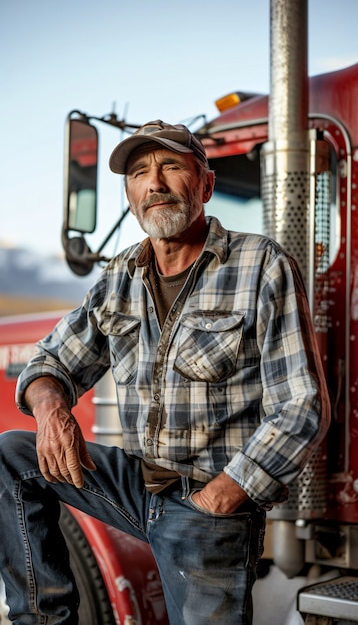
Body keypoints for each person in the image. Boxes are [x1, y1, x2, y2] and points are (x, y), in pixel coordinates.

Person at [0, 120, 330, 625]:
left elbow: (301, 406)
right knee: (12, 455)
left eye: (171, 166)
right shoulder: (119, 277)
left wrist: (218, 499)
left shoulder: (261, 265)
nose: (153, 182)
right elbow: (49, 362)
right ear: (130, 195)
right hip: (137, 486)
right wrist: (50, 410)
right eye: (138, 172)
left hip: (210, 502)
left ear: (206, 185)